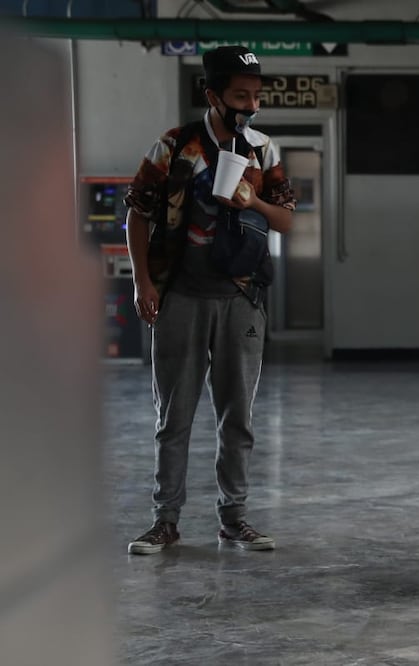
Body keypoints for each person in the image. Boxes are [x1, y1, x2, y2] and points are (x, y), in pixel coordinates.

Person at [124, 46, 296, 555]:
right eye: (241, 95)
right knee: (173, 416)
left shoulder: (263, 149)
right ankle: (165, 521)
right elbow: (137, 214)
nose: (251, 104)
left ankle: (234, 518)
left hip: (242, 298)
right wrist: (143, 282)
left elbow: (286, 218)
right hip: (180, 295)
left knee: (237, 415)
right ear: (212, 94)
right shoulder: (176, 146)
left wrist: (253, 200)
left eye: (256, 96)